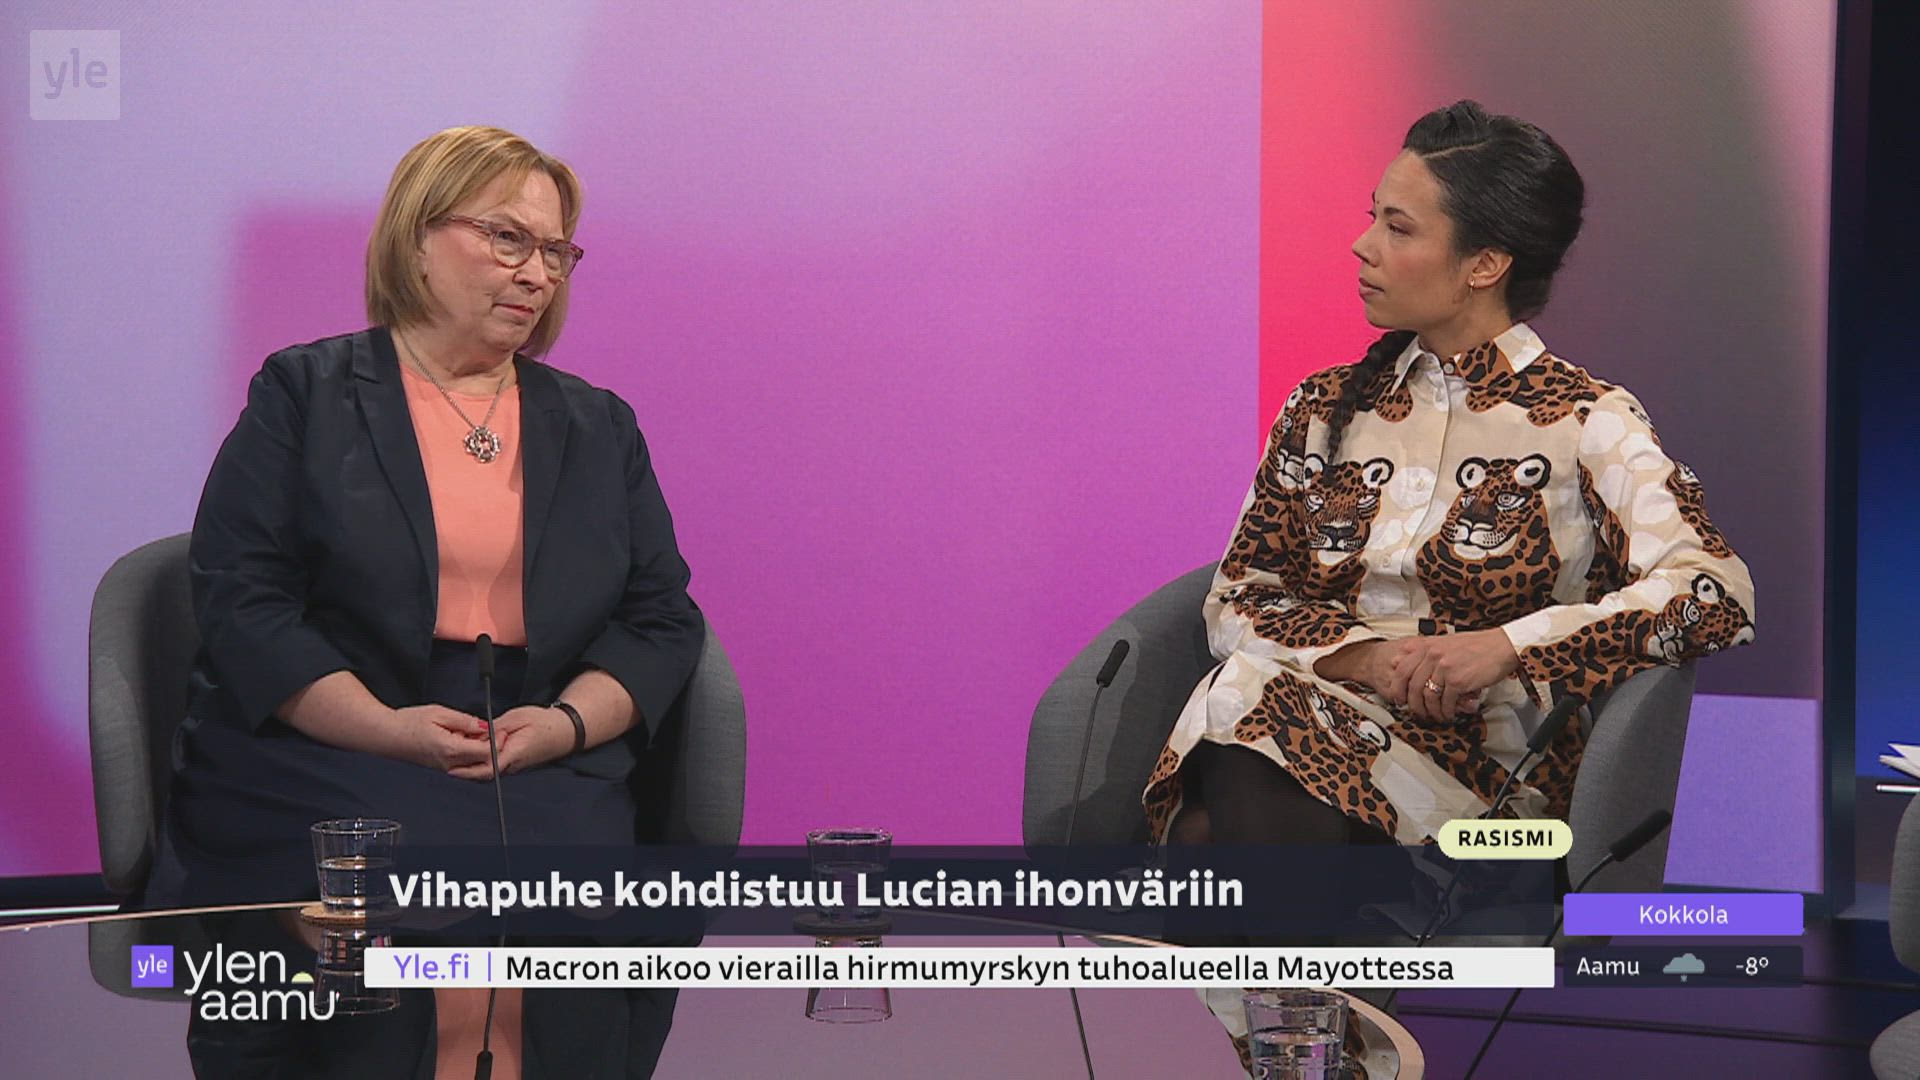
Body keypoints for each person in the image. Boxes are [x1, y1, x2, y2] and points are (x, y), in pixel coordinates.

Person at [142, 125, 705, 1077]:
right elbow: (245, 600)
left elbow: (660, 617)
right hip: (331, 743)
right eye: (508, 238)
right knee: (396, 884)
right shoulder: (306, 393)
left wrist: (565, 726)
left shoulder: (599, 425)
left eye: (557, 251)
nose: (538, 273)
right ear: (415, 239)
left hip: (535, 745)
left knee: (591, 892)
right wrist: (384, 729)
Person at [1142, 99, 1756, 866]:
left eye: (1398, 229)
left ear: (1484, 265)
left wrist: (1505, 648)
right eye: (1373, 218)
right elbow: (1239, 600)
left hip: (1496, 797)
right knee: (1246, 710)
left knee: (1217, 816)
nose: (1363, 245)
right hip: (1308, 737)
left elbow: (1713, 595)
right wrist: (1365, 658)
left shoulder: (1585, 421)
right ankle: (1325, 947)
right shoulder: (1322, 408)